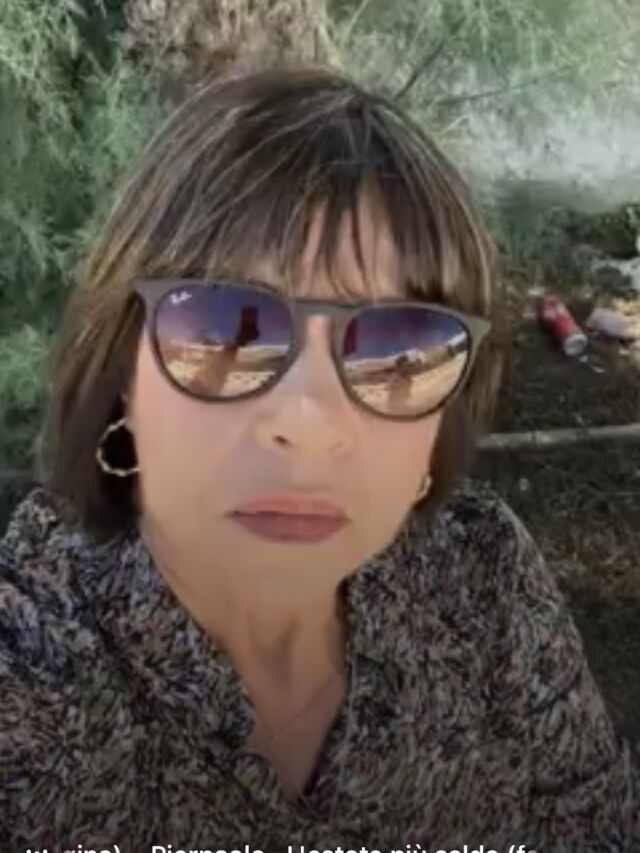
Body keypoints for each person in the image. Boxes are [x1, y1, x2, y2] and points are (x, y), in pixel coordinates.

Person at [0, 65, 637, 853]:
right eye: (224, 328)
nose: (308, 423)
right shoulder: (35, 667)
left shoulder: (485, 578)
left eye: (400, 346)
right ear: (121, 372)